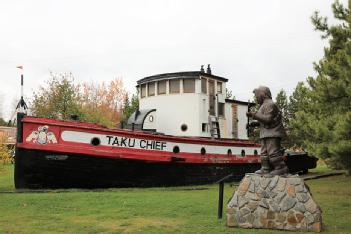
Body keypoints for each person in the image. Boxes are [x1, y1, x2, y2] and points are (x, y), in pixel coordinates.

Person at [246, 86, 289, 175]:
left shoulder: (270, 104)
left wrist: (253, 115)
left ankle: (281, 167)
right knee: (264, 153)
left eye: (257, 96)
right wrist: (253, 123)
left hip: (273, 133)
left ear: (263, 94)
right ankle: (265, 168)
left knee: (273, 152)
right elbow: (263, 121)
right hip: (265, 133)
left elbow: (268, 119)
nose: (256, 99)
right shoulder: (263, 106)